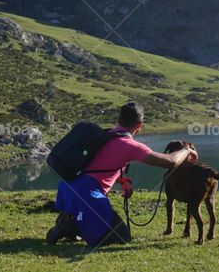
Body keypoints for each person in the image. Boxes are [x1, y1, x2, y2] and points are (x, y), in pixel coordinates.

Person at [46, 102, 197, 247]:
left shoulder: (105, 134)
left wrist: (122, 180)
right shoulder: (129, 145)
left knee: (105, 226)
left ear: (118, 120)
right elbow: (170, 161)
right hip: (87, 194)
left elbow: (99, 164)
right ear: (139, 126)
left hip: (68, 187)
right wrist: (186, 150)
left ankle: (70, 222)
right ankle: (70, 226)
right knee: (121, 237)